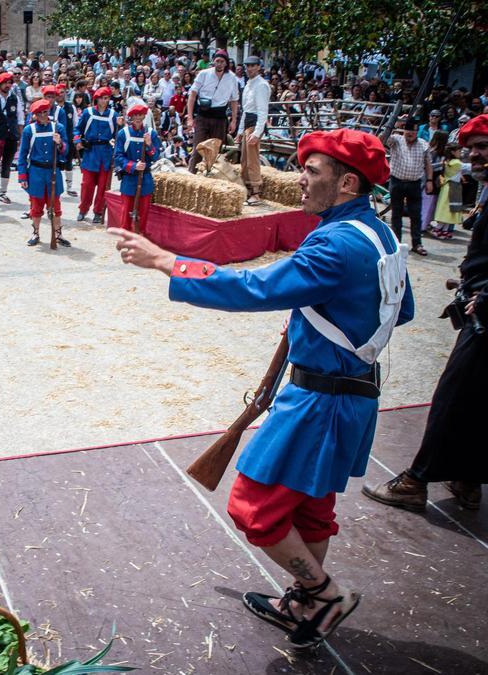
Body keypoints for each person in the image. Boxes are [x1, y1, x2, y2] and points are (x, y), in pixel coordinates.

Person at [111, 127, 413, 651]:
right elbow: (399, 311)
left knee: (253, 508)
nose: (301, 178)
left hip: (319, 400)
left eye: (312, 172)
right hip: (356, 394)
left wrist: (166, 260)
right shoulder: (380, 235)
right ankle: (301, 601)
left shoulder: (333, 244)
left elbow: (254, 288)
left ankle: (324, 594)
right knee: (312, 508)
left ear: (345, 183)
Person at [364, 112, 488, 513]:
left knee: (456, 395)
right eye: (471, 149)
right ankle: (468, 479)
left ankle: (415, 481)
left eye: (484, 147)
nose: (475, 156)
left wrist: (487, 295)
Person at [17, 98, 70, 249]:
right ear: (34, 115)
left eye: (45, 112)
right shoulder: (29, 130)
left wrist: (60, 143)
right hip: (36, 172)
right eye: (39, 113)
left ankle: (58, 234)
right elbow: (23, 154)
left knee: (55, 205)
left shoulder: (57, 127)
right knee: (36, 205)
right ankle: (36, 233)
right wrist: (22, 176)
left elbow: (65, 152)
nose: (42, 115)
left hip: (53, 171)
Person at [112, 103, 162, 236]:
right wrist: (133, 166)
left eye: (140, 115)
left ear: (144, 116)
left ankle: (140, 237)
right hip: (129, 178)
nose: (138, 118)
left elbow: (156, 156)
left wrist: (150, 145)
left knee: (144, 212)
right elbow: (118, 156)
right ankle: (125, 237)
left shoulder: (151, 133)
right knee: (126, 211)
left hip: (145, 178)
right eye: (135, 116)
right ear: (131, 117)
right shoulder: (124, 133)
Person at [186, 50, 239, 173]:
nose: (219, 64)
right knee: (198, 148)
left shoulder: (232, 78)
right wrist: (189, 117)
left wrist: (234, 120)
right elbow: (192, 95)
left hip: (220, 117)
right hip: (203, 115)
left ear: (226, 63)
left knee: (216, 150)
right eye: (217, 61)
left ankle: (211, 176)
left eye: (222, 61)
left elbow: (235, 100)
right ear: (213, 61)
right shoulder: (204, 74)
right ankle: (192, 175)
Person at [385, 119, 432, 255]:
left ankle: (417, 244)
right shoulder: (396, 140)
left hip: (415, 183)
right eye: (408, 130)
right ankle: (396, 243)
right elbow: (382, 138)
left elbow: (428, 164)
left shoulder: (423, 144)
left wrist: (429, 180)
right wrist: (395, 124)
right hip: (397, 182)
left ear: (417, 131)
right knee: (396, 214)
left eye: (413, 130)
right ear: (404, 130)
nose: (410, 133)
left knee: (416, 215)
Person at [75, 86, 118, 225]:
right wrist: (77, 141)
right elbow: (77, 129)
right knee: (87, 184)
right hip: (90, 151)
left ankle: (98, 212)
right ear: (96, 99)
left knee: (102, 186)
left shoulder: (113, 115)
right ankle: (83, 209)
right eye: (102, 98)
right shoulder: (87, 113)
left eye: (106, 98)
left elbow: (119, 136)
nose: (104, 101)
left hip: (105, 152)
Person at [238, 55, 271, 205]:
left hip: (255, 123)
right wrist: (240, 131)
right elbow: (245, 110)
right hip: (247, 122)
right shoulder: (248, 84)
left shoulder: (261, 85)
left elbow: (263, 111)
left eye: (252, 66)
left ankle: (256, 193)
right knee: (244, 159)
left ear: (258, 67)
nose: (249, 69)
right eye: (247, 66)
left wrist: (257, 132)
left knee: (252, 160)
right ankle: (247, 190)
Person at [0, 72, 21, 205]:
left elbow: (20, 118)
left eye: (10, 83)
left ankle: (3, 192)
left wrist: (19, 135)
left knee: (7, 165)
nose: (8, 85)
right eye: (5, 83)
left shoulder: (15, 98)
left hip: (11, 136)